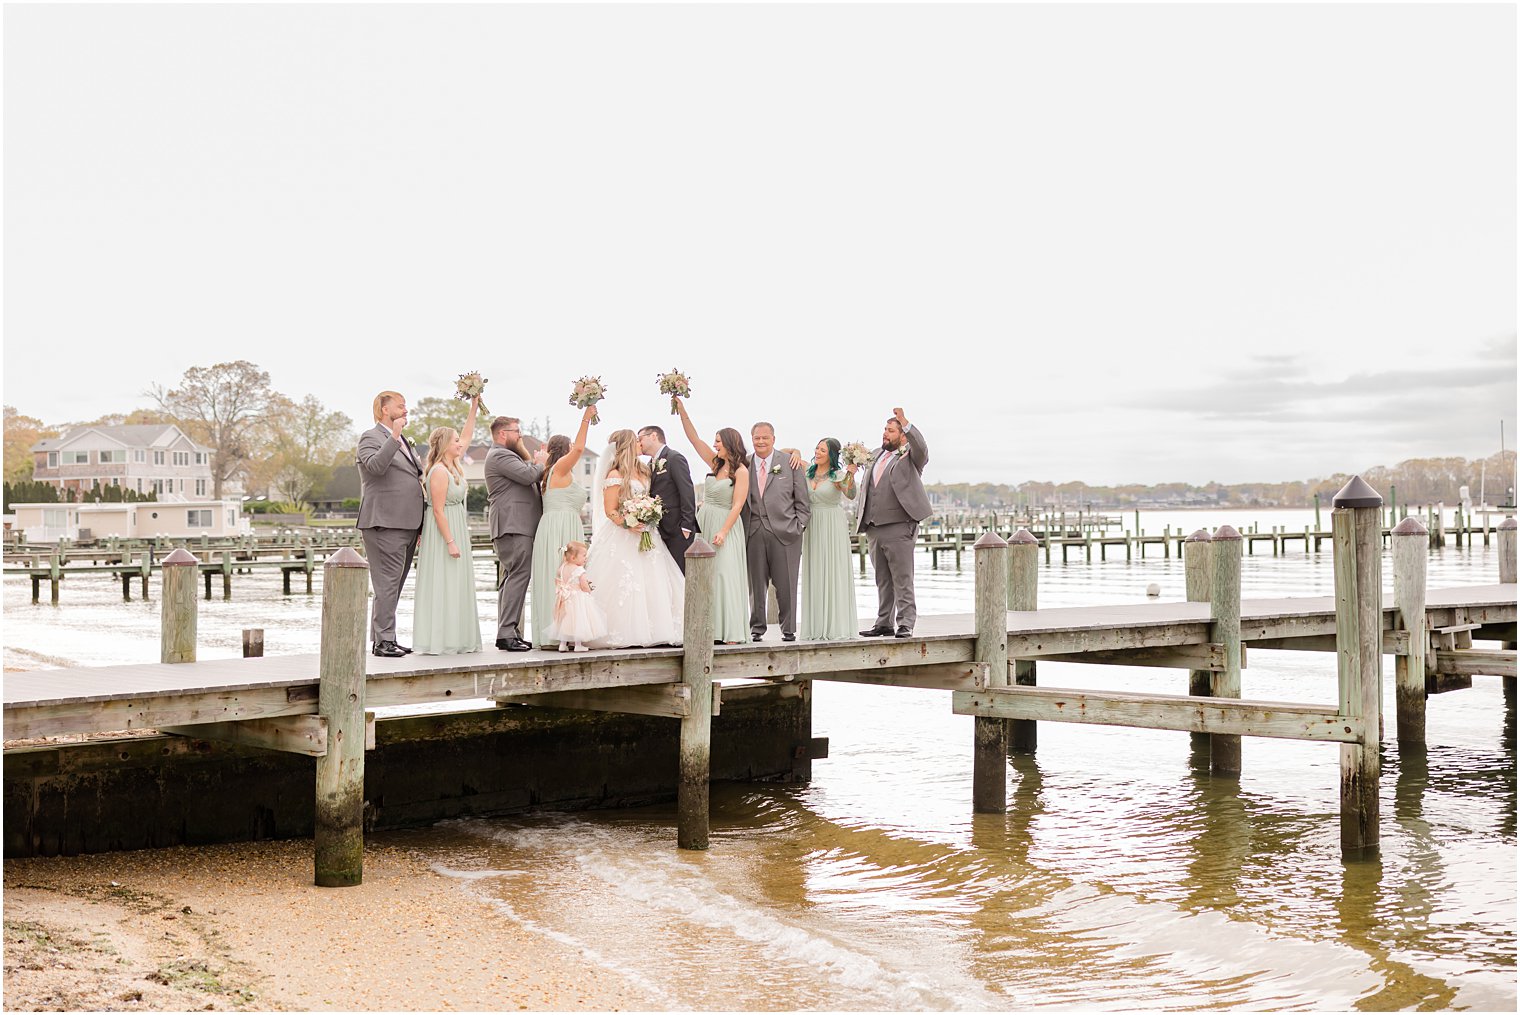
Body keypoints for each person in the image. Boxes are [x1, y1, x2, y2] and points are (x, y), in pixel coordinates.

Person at [584, 427, 685, 648]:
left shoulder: (645, 470)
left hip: (648, 533)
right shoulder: (614, 475)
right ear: (628, 446)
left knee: (655, 581)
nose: (641, 444)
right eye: (637, 441)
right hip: (624, 534)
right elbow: (610, 510)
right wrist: (628, 523)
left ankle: (658, 630)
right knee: (627, 583)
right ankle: (626, 632)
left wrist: (649, 513)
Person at [673, 396, 751, 644]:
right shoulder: (714, 464)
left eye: (718, 441)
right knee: (705, 575)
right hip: (705, 521)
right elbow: (694, 439)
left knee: (724, 574)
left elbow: (738, 504)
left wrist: (724, 531)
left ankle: (729, 631)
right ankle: (709, 628)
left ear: (729, 443)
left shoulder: (741, 471)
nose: (715, 444)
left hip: (725, 524)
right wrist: (682, 410)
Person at [356, 390, 424, 658]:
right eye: (401, 405)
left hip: (407, 523)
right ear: (385, 410)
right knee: (386, 583)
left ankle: (386, 637)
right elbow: (374, 467)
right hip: (384, 523)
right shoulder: (370, 437)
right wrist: (394, 436)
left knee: (394, 584)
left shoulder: (405, 440)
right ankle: (383, 641)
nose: (406, 409)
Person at [413, 397, 483, 654]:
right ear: (445, 445)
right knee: (443, 582)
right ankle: (440, 639)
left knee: (457, 583)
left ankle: (457, 637)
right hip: (443, 531)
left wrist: (473, 407)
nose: (460, 444)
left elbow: (467, 434)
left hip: (456, 527)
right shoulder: (440, 472)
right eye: (454, 441)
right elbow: (438, 510)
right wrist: (451, 541)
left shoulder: (452, 464)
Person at [856, 407, 931, 638]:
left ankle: (906, 622)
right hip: (874, 527)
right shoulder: (875, 454)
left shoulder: (911, 456)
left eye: (890, 430)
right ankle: (884, 623)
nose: (885, 434)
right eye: (885, 430)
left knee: (902, 578)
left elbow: (922, 448)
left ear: (902, 435)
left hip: (900, 525)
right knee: (882, 579)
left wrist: (906, 422)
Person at [529, 405, 597, 649]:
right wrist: (586, 417)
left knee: (560, 578)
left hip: (555, 525)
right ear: (565, 450)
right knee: (564, 580)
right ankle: (561, 634)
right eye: (570, 449)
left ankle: (563, 634)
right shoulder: (560, 468)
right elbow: (580, 448)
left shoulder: (550, 471)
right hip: (561, 526)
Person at [485, 416, 548, 651]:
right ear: (503, 434)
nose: (520, 435)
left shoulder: (509, 455)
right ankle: (506, 632)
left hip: (516, 524)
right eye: (516, 432)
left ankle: (510, 631)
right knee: (519, 576)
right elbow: (529, 475)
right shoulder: (500, 455)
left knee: (512, 578)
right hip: (513, 525)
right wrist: (540, 462)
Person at [744, 421, 810, 642]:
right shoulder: (744, 464)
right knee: (755, 584)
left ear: (773, 439)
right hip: (753, 531)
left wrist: (799, 526)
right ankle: (757, 628)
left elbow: (802, 500)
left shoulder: (790, 463)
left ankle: (788, 629)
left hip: (786, 532)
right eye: (756, 438)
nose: (761, 441)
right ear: (751, 439)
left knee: (786, 584)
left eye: (765, 437)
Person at [800, 437, 859, 640]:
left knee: (832, 570)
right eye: (816, 448)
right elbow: (786, 452)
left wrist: (851, 472)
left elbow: (850, 494)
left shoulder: (838, 476)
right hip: (812, 523)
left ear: (831, 454)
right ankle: (815, 626)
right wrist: (796, 453)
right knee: (815, 570)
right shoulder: (807, 471)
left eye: (823, 450)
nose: (817, 452)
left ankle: (835, 625)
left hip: (832, 524)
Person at [637, 424, 698, 572]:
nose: (639, 443)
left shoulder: (674, 458)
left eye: (640, 439)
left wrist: (686, 525)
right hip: (659, 529)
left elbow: (687, 491)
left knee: (679, 573)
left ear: (653, 436)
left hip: (677, 529)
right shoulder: (649, 464)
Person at [544, 541, 607, 652]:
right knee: (579, 620)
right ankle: (578, 645)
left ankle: (563, 644)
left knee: (565, 620)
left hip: (565, 598)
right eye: (583, 556)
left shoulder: (562, 568)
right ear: (573, 558)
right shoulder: (579, 570)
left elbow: (560, 580)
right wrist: (588, 590)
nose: (585, 558)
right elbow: (583, 585)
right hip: (577, 599)